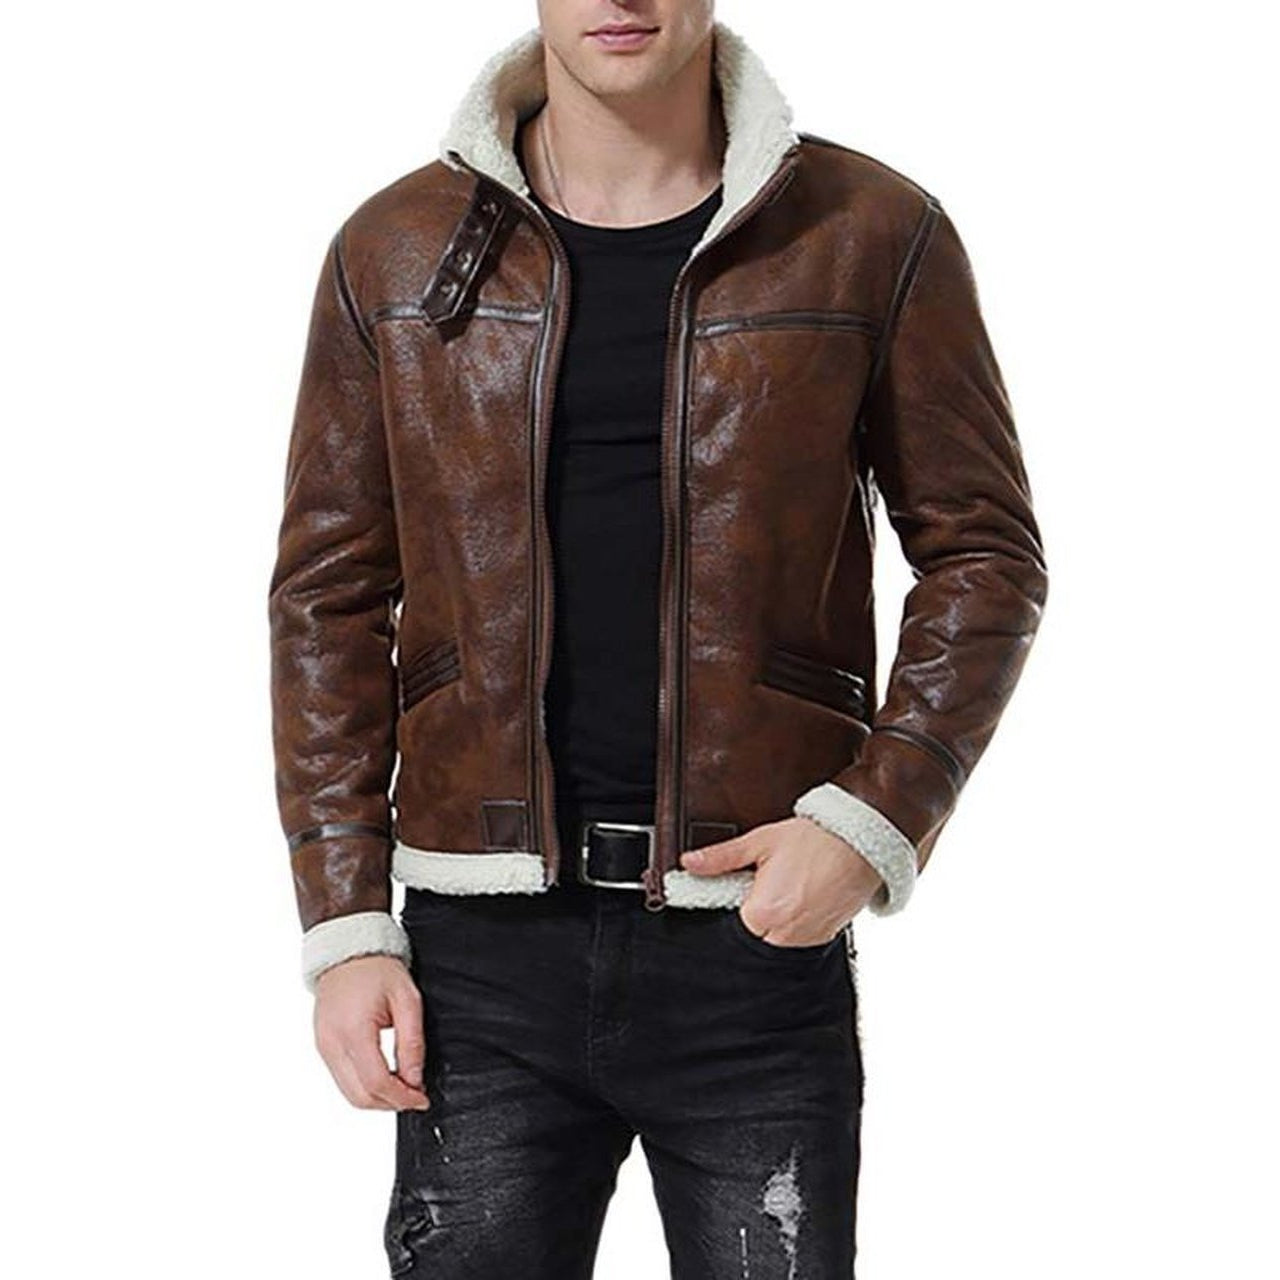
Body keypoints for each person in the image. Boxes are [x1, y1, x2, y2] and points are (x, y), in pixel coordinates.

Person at [267, 3, 1048, 1275]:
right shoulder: (394, 247)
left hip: (749, 939)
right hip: (479, 956)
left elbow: (983, 553)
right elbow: (328, 594)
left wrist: (871, 819)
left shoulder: (868, 232)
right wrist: (346, 924)